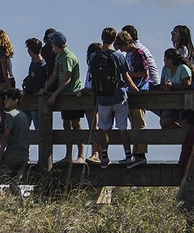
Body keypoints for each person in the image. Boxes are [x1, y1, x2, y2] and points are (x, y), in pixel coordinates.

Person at [92, 28, 136, 168]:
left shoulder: (94, 56)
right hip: (119, 96)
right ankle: (128, 156)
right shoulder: (119, 56)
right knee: (123, 128)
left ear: (102, 37)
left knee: (104, 128)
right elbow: (126, 76)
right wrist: (135, 89)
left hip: (103, 98)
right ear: (114, 39)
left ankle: (104, 157)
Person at [43, 31, 85, 165]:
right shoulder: (59, 56)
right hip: (64, 94)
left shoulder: (68, 57)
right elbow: (55, 74)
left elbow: (67, 80)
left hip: (73, 95)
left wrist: (54, 95)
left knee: (76, 124)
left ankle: (80, 155)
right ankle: (68, 156)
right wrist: (45, 88)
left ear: (56, 45)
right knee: (66, 124)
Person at [116, 30, 149, 168]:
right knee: (133, 123)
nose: (122, 50)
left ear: (128, 42)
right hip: (131, 92)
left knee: (139, 122)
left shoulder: (139, 53)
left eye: (122, 46)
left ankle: (141, 154)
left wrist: (128, 74)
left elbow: (144, 73)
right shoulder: (128, 54)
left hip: (140, 90)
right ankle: (134, 154)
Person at [0, 89, 31, 196]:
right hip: (24, 155)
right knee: (14, 183)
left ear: (15, 101)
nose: (5, 101)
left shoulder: (10, 115)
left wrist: (0, 156)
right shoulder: (24, 116)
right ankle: (20, 204)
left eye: (7, 99)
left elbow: (6, 136)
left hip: (12, 154)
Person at [156, 48, 192, 128]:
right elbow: (161, 84)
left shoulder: (183, 69)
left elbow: (188, 85)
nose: (163, 60)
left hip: (183, 102)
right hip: (170, 102)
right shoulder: (165, 69)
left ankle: (186, 135)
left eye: (165, 58)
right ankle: (179, 131)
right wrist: (165, 86)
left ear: (170, 60)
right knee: (164, 122)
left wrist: (173, 86)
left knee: (185, 122)